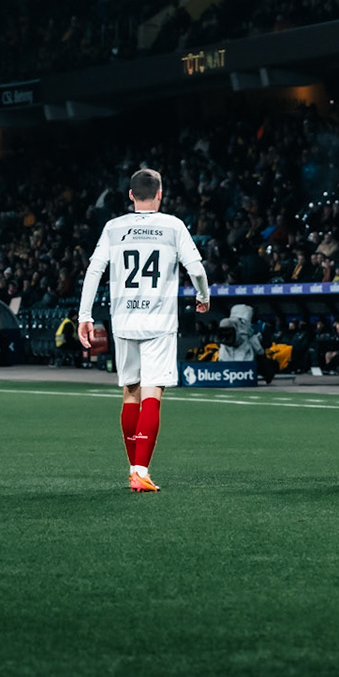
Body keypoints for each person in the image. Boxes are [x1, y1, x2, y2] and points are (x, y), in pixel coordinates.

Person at [78, 168, 212, 493]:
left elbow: (94, 269)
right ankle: (140, 471)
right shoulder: (173, 226)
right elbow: (196, 268)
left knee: (130, 393)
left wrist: (84, 314)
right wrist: (203, 296)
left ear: (130, 195)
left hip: (124, 321)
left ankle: (133, 468)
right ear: (160, 194)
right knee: (153, 392)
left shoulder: (114, 227)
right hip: (159, 321)